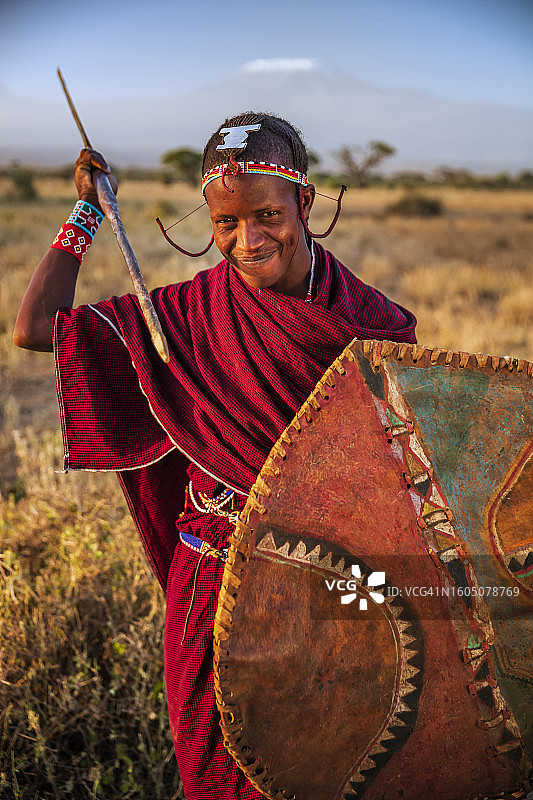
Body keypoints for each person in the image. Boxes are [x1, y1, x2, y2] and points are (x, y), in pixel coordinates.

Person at [13, 112, 417, 799]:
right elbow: (33, 330)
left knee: (338, 766)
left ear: (305, 204)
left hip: (335, 591)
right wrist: (86, 211)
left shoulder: (375, 327)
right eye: (226, 223)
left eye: (266, 215)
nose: (246, 241)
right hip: (215, 588)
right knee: (217, 769)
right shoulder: (184, 312)